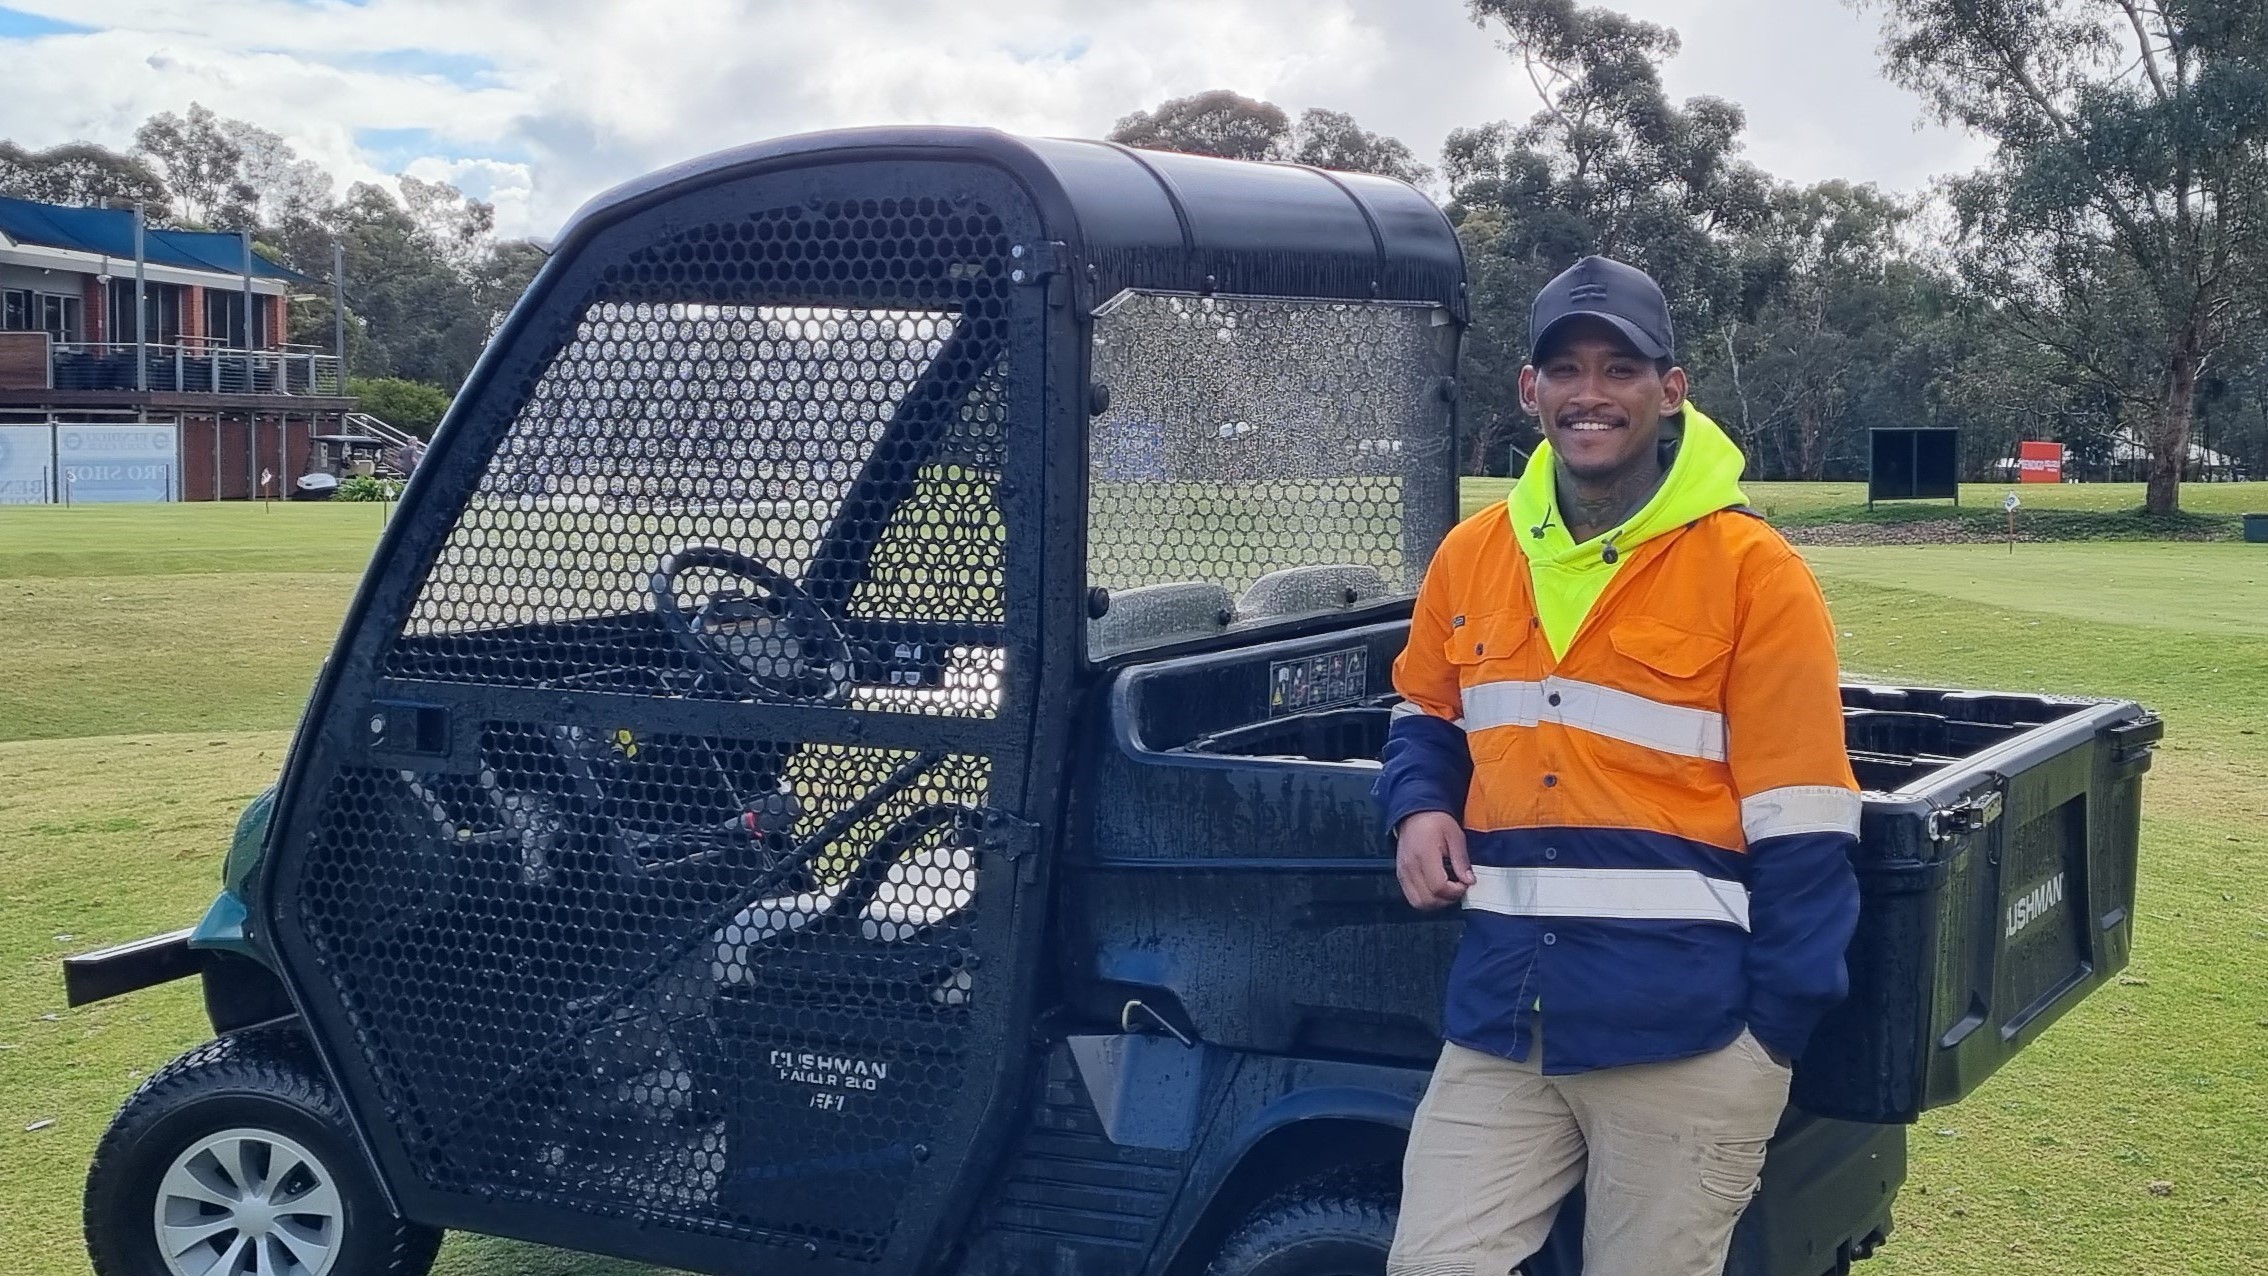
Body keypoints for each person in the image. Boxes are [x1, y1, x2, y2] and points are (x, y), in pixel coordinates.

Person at [1374, 255, 1863, 1276]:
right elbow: (1427, 705)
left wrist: (1769, 1036)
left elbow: (1808, 818)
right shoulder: (1473, 553)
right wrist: (1418, 804)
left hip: (1687, 1032)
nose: (1589, 393)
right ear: (1529, 389)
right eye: (1564, 370)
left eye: (1619, 369)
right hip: (1507, 1019)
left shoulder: (1751, 571)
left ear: (1670, 388)